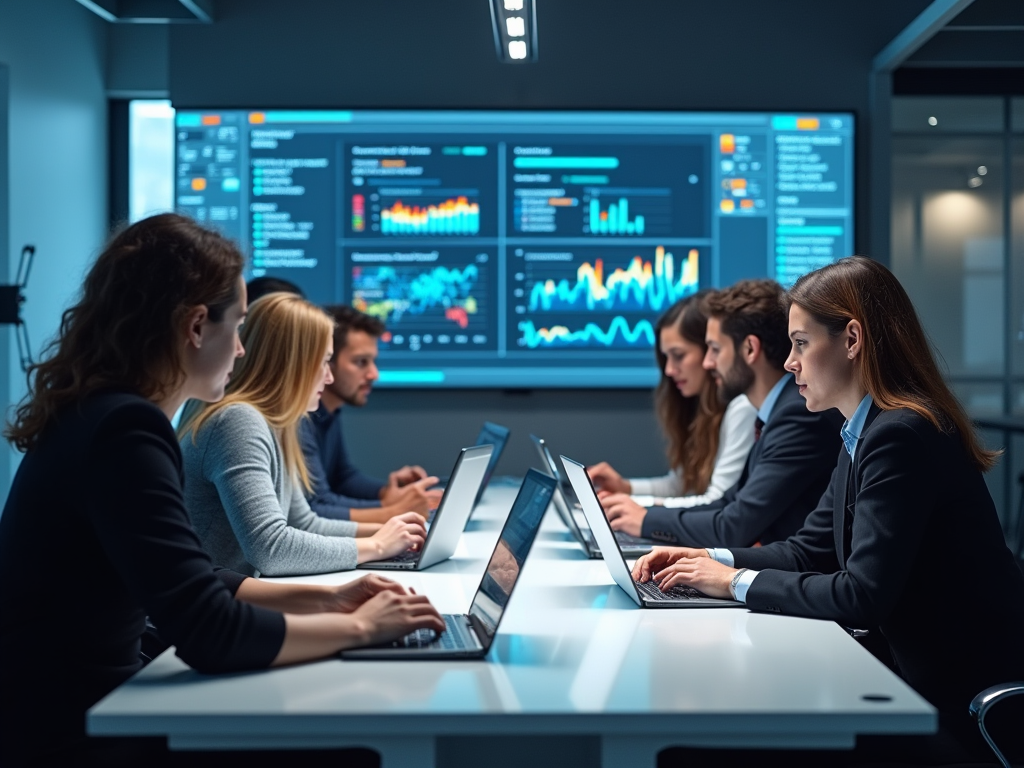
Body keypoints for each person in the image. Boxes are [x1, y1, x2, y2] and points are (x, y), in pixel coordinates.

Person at [0, 214, 444, 766]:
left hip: (80, 700)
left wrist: (327, 598)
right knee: (355, 752)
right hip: (77, 730)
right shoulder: (125, 431)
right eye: (236, 327)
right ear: (195, 327)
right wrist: (358, 628)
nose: (239, 350)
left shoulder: (99, 415)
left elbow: (197, 575)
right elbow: (209, 630)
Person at [632, 256, 1024, 762]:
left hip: (954, 706)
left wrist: (729, 582)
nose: (789, 362)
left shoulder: (901, 435)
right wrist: (704, 559)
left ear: (852, 340)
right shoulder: (863, 431)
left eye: (800, 344)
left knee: (692, 752)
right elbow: (808, 549)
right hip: (908, 680)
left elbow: (861, 594)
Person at [180, 293, 429, 576]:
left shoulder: (278, 424)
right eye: (324, 362)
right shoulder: (237, 421)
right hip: (199, 615)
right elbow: (270, 549)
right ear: (292, 364)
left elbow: (304, 523)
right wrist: (378, 546)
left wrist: (399, 533)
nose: (329, 377)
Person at [602, 279, 843, 548]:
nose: (708, 363)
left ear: (750, 349)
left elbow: (734, 526)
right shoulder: (775, 412)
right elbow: (728, 504)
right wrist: (647, 517)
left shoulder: (797, 414)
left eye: (715, 349)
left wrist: (647, 520)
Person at [587, 290, 757, 512]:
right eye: (666, 357)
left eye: (679, 355)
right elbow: (682, 484)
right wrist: (625, 488)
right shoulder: (701, 409)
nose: (669, 370)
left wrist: (636, 507)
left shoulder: (743, 408)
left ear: (710, 350)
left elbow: (717, 502)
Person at [300, 305, 441, 523]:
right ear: (328, 362)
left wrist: (387, 493)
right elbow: (316, 506)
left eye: (373, 361)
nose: (374, 374)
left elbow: (343, 477)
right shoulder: (301, 419)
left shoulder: (329, 412)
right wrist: (392, 508)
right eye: (360, 362)